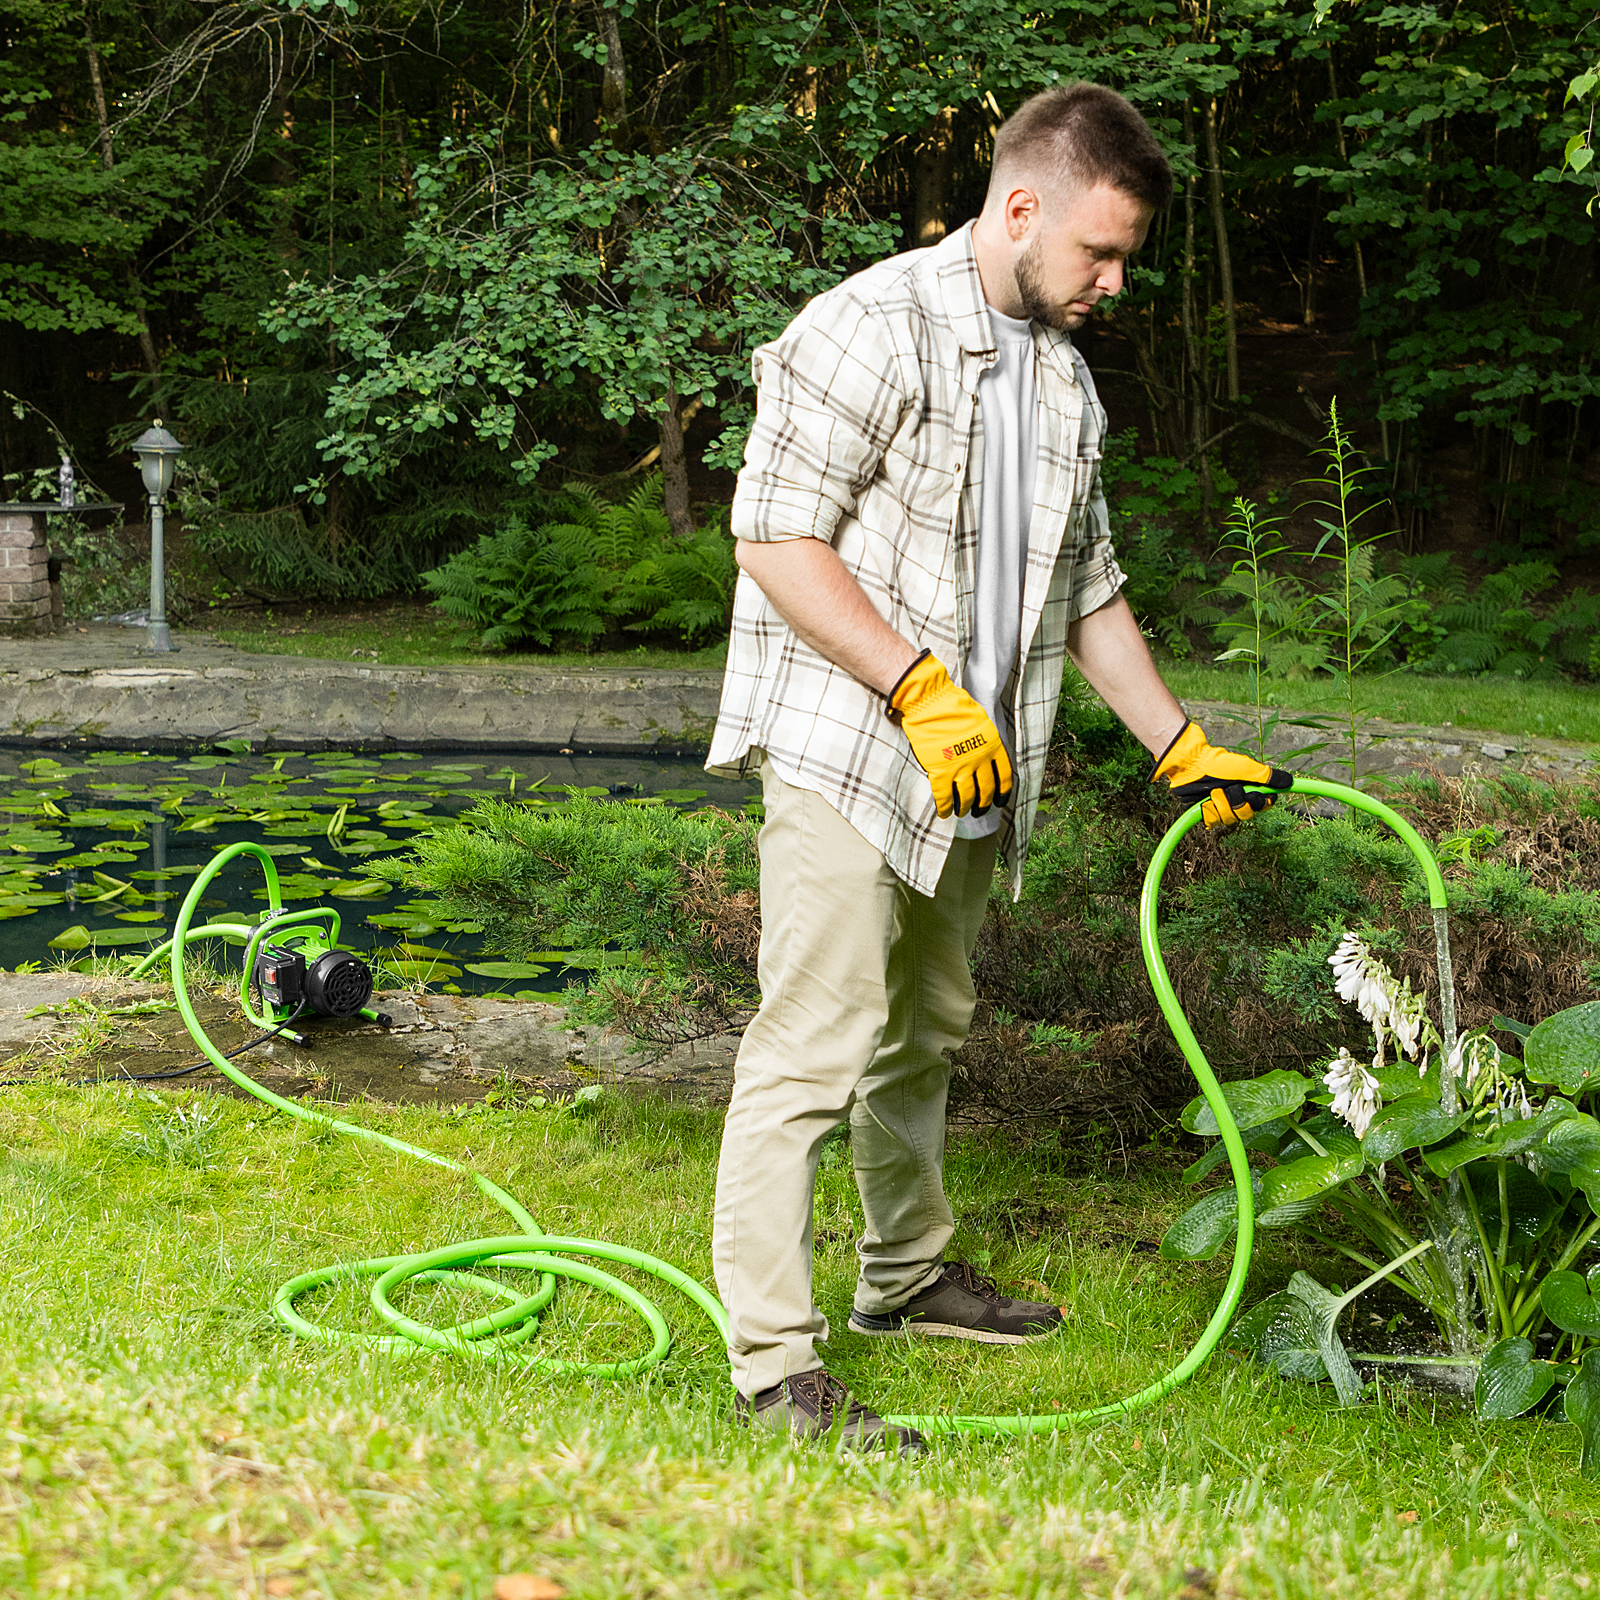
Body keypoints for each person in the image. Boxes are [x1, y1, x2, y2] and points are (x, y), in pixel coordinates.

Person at [704, 82, 1289, 1456]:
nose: (1115, 283)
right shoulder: (868, 327)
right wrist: (913, 686)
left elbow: (1088, 587)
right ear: (1020, 207)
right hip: (850, 742)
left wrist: (1177, 742)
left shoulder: (1064, 381)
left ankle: (904, 1279)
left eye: (1127, 259)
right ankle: (776, 1368)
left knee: (926, 1028)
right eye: (1100, 252)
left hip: (972, 768)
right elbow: (774, 535)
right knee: (816, 1041)